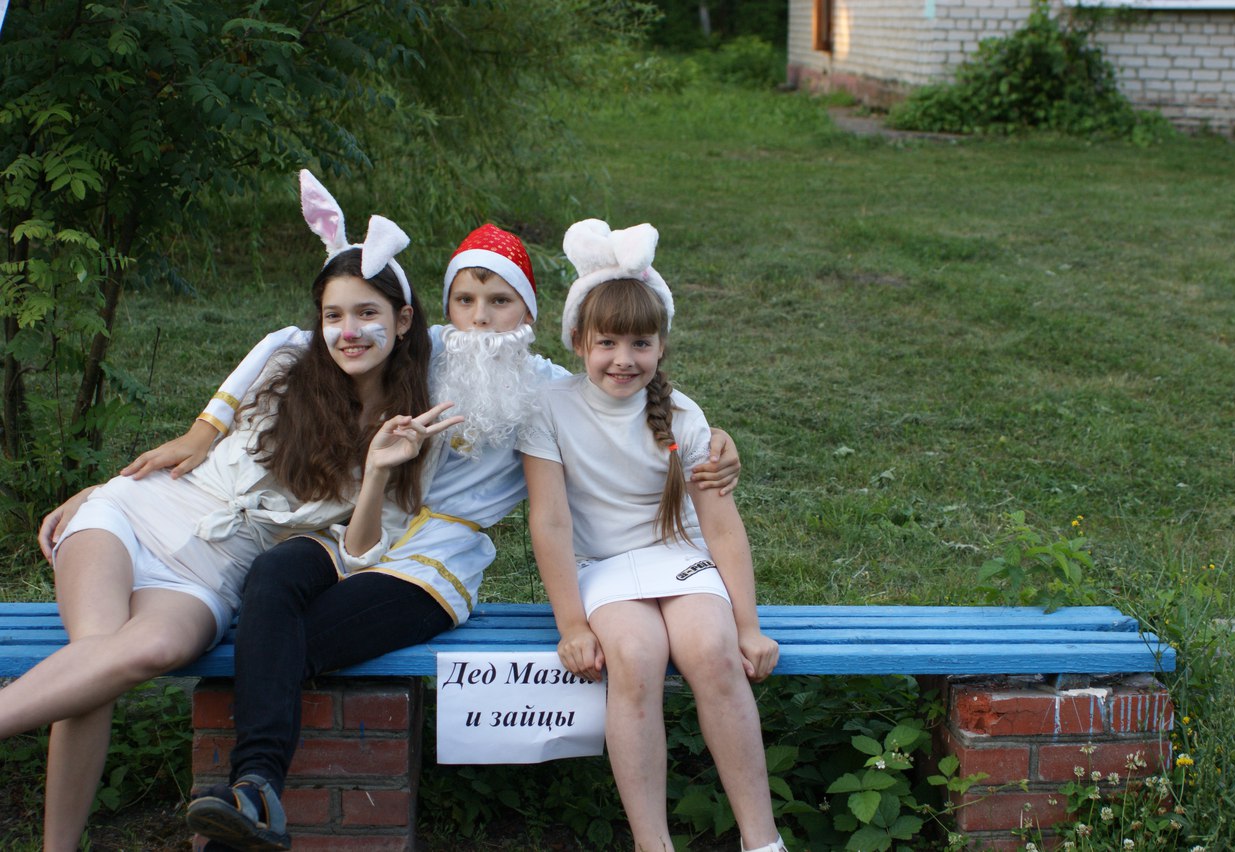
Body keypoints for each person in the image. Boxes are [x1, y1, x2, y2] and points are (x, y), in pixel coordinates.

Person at [40, 223, 742, 851]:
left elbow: (630, 393)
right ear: (444, 308)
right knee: (273, 578)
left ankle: (253, 790)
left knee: (287, 636)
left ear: (529, 312)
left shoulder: (551, 388)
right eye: (466, 300)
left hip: (433, 564)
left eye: (500, 302)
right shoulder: (418, 355)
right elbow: (300, 345)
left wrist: (715, 440)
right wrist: (177, 449)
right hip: (353, 530)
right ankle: (254, 789)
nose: (481, 317)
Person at [14, 170, 458, 852]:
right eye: (333, 315)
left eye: (367, 313)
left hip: (216, 569)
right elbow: (191, 444)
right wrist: (99, 492)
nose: (348, 331)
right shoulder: (285, 357)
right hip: (139, 516)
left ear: (402, 321)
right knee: (94, 657)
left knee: (146, 652)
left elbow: (359, 553)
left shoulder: (415, 428)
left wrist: (375, 472)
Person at [520, 219, 784, 852]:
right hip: (603, 565)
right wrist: (572, 625)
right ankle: (652, 844)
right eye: (607, 342)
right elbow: (550, 521)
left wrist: (748, 626)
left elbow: (721, 527)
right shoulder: (549, 409)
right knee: (634, 659)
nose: (624, 359)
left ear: (661, 346)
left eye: (641, 342)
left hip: (679, 558)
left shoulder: (684, 417)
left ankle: (762, 840)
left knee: (713, 652)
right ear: (578, 341)